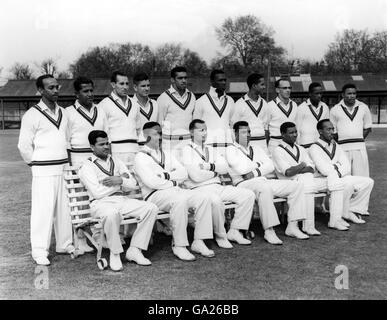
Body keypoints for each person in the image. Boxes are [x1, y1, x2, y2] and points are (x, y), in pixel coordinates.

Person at [134, 122, 224, 260]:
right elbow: (152, 183)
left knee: (204, 197)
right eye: (156, 133)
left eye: (161, 133)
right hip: (154, 195)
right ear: (146, 136)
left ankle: (199, 241)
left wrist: (168, 177)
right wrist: (173, 180)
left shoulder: (166, 153)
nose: (160, 136)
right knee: (180, 200)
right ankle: (179, 245)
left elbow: (183, 173)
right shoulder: (140, 156)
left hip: (174, 190)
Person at [78, 130, 158, 271]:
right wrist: (121, 183)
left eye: (107, 143)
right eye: (101, 144)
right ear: (92, 147)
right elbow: (97, 193)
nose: (106, 146)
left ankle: (135, 249)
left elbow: (133, 183)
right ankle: (115, 253)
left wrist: (120, 180)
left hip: (122, 199)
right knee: (111, 214)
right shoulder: (87, 166)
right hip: (100, 204)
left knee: (151, 208)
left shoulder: (117, 161)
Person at [18, 74, 74, 266]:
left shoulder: (64, 113)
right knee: (43, 211)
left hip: (63, 167)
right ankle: (39, 250)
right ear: (40, 91)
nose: (56, 90)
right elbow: (23, 146)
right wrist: (34, 164)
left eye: (57, 87)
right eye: (51, 88)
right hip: (43, 170)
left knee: (64, 208)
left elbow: (66, 139)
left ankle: (64, 244)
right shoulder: (31, 115)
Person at [226, 121, 306, 243]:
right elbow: (240, 169)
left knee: (296, 186)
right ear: (235, 133)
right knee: (265, 189)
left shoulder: (256, 148)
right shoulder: (231, 149)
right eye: (243, 132)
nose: (247, 135)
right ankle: (269, 231)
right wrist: (259, 164)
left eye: (248, 131)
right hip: (242, 184)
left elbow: (270, 166)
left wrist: (254, 171)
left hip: (261, 180)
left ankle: (293, 226)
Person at [181, 119, 256, 245]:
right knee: (216, 201)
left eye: (205, 130)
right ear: (191, 132)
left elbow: (224, 167)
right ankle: (221, 236)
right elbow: (196, 176)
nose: (204, 133)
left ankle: (235, 231)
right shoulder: (186, 150)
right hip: (200, 189)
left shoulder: (210, 149)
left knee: (248, 195)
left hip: (217, 186)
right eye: (201, 130)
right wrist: (215, 171)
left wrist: (208, 167)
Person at [272, 122, 348, 234]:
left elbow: (311, 168)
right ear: (283, 134)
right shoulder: (277, 150)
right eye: (291, 132)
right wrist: (302, 165)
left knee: (335, 182)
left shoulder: (300, 148)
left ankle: (335, 220)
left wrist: (298, 168)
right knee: (308, 184)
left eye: (295, 132)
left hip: (306, 180)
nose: (294, 135)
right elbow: (288, 172)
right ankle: (308, 226)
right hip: (290, 183)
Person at [309, 119, 374, 225]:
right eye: (328, 129)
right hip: (321, 180)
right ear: (320, 131)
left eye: (332, 129)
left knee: (368, 182)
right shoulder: (314, 148)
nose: (332, 132)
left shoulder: (336, 146)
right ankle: (340, 215)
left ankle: (350, 210)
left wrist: (334, 170)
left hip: (338, 177)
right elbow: (324, 170)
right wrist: (338, 166)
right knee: (347, 184)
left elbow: (347, 166)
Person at [98, 70, 141, 167]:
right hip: (116, 151)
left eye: (127, 84)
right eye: (121, 84)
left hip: (134, 149)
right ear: (113, 84)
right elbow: (103, 131)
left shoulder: (134, 104)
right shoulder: (104, 104)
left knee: (137, 180)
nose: (125, 87)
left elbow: (138, 129)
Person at [330, 83, 372, 177]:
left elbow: (367, 127)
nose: (352, 96)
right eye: (349, 93)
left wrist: (358, 139)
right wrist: (342, 141)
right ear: (343, 95)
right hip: (342, 148)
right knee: (345, 177)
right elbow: (333, 131)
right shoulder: (335, 109)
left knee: (361, 177)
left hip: (359, 147)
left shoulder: (363, 107)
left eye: (354, 93)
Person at [66, 76, 108, 167]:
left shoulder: (101, 110)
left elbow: (108, 139)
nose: (90, 94)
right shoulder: (68, 112)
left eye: (91, 90)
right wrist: (70, 167)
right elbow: (66, 143)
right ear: (77, 94)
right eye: (85, 91)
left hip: (100, 159)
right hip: (78, 160)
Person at [193, 70, 235, 159]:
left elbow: (232, 125)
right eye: (220, 80)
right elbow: (196, 127)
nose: (223, 83)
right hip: (209, 147)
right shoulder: (201, 101)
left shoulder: (230, 101)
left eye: (224, 80)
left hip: (227, 146)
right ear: (212, 82)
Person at [157, 66, 195, 161]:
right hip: (170, 145)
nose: (183, 81)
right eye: (180, 78)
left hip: (188, 143)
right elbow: (159, 123)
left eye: (185, 78)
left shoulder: (192, 96)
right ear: (172, 80)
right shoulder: (163, 98)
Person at [231, 73, 269, 154]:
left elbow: (266, 128)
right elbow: (233, 128)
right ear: (254, 86)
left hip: (263, 145)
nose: (264, 87)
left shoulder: (264, 103)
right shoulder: (239, 104)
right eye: (262, 84)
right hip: (247, 145)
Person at [266, 79, 298, 155]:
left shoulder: (294, 105)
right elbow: (266, 128)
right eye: (284, 88)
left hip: (292, 144)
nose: (288, 90)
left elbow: (297, 126)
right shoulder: (269, 106)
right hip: (275, 144)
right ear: (277, 90)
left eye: (289, 88)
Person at [295, 82, 330, 149]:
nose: (319, 95)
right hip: (305, 145)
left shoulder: (325, 107)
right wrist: (299, 145)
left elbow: (327, 126)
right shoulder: (301, 108)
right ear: (310, 94)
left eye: (320, 93)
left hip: (321, 145)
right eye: (316, 93)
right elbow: (297, 128)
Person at [132, 72, 159, 145]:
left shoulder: (155, 104)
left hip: (154, 145)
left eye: (148, 85)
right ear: (135, 87)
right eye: (143, 86)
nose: (147, 88)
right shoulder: (130, 105)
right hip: (138, 146)